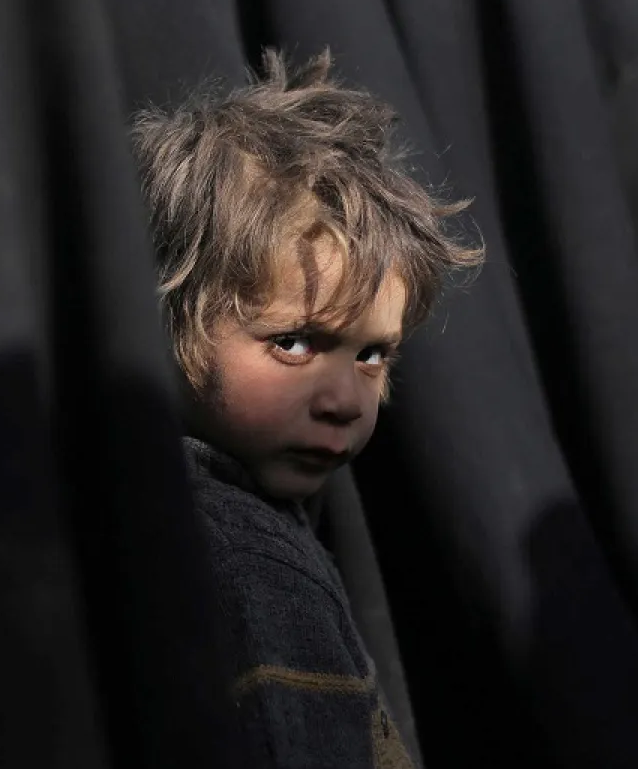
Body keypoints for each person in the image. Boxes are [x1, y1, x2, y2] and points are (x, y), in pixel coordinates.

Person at [131, 50, 482, 769]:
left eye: (373, 355)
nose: (345, 400)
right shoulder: (252, 569)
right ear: (171, 318)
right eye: (293, 342)